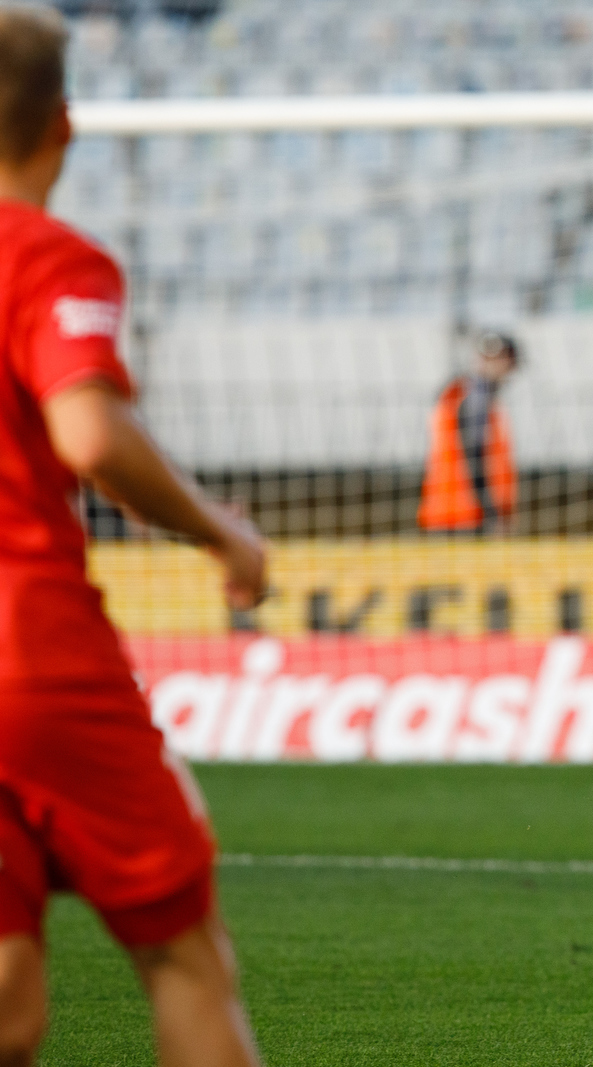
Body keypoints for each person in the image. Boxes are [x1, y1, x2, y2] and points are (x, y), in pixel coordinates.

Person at [0, 7, 268, 1064]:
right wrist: (218, 532)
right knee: (184, 954)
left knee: (11, 994)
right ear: (63, 124)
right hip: (30, 652)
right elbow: (85, 428)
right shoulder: (50, 256)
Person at [417, 330, 519, 534]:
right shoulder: (475, 398)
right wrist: (493, 513)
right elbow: (474, 457)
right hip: (467, 516)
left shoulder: (457, 393)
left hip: (448, 511)